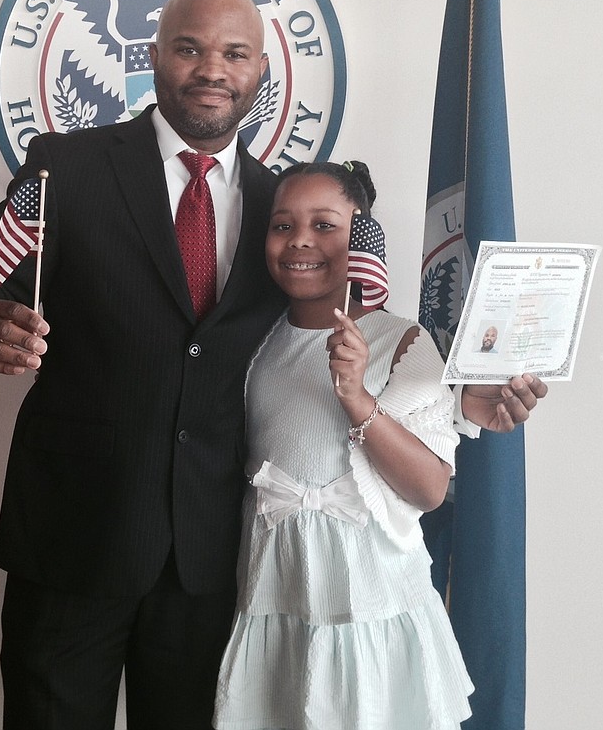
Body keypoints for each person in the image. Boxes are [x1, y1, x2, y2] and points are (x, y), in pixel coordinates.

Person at [0, 0, 545, 730]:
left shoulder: (281, 207)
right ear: (154, 55)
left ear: (261, 71)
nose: (211, 70)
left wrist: (461, 398)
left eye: (234, 53)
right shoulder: (69, 166)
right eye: (189, 49)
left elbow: (340, 338)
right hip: (74, 542)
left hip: (214, 562)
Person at [213, 160, 526, 730]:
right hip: (277, 599)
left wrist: (357, 398)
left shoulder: (402, 341)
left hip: (371, 603)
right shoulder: (255, 344)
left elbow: (429, 488)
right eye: (282, 225)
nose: (300, 240)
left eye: (324, 224)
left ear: (360, 237)